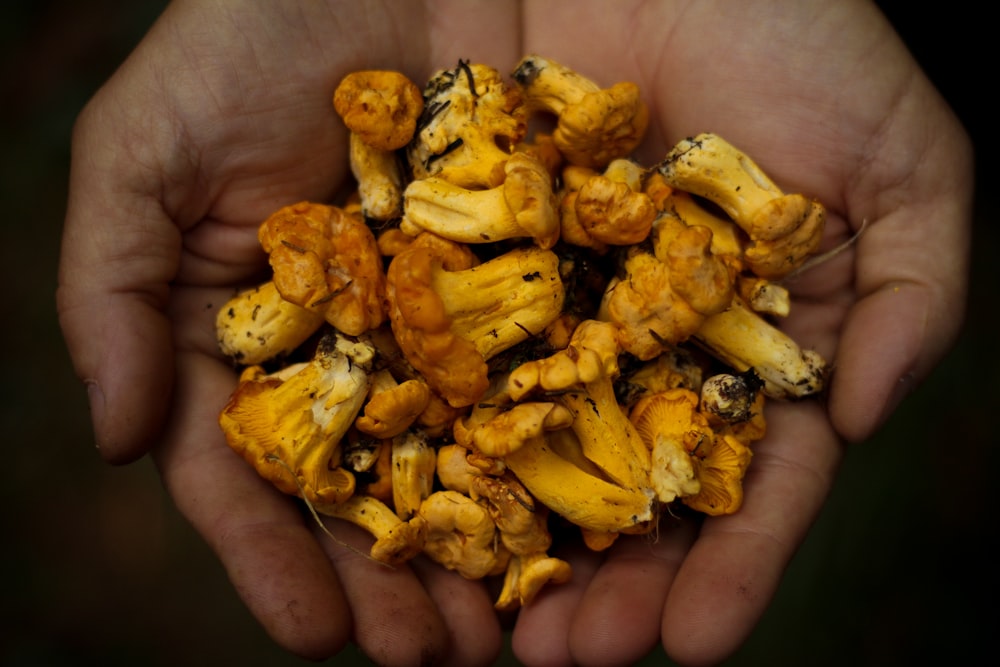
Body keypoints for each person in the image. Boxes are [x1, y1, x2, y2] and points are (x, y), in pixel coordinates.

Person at [56, 1, 972, 665]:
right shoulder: (440, 242)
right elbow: (419, 227)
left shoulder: (552, 264)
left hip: (562, 323)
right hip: (472, 328)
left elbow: (534, 287)